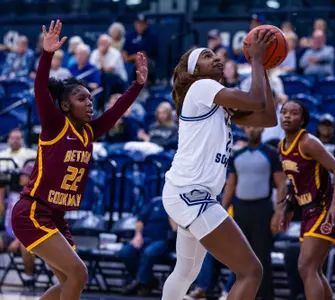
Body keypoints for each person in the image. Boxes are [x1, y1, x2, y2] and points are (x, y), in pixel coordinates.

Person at [11, 20, 148, 300]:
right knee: (79, 274)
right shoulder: (55, 124)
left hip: (56, 217)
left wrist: (137, 85)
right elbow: (40, 89)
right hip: (33, 212)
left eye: (90, 98)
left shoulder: (89, 131)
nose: (89, 103)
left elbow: (116, 110)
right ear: (64, 105)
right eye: (81, 98)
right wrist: (47, 54)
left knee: (70, 281)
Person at [161, 28, 278, 300]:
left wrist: (264, 67)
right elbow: (256, 100)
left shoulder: (218, 104)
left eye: (215, 54)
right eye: (206, 56)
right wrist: (258, 61)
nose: (215, 58)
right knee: (251, 270)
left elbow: (268, 117)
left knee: (185, 273)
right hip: (190, 193)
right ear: (194, 70)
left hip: (189, 193)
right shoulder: (201, 87)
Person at [276, 99, 335, 300]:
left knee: (306, 267)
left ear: (303, 120)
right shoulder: (282, 147)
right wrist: (287, 210)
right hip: (308, 210)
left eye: (294, 113)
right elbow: (295, 183)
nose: (287, 116)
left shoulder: (308, 142)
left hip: (326, 207)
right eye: (284, 112)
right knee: (313, 270)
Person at [220, 126, 287, 300]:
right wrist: (221, 210)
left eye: (255, 127)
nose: (252, 130)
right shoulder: (237, 155)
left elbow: (281, 185)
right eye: (249, 127)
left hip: (262, 209)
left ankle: (265, 296)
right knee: (240, 255)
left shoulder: (271, 153)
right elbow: (230, 185)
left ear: (262, 129)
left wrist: (278, 212)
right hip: (241, 209)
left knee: (261, 255)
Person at [1, 164, 36, 293]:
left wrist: (17, 240)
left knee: (25, 246)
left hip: (27, 235)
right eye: (22, 174)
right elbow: (2, 212)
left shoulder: (34, 198)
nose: (21, 177)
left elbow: (31, 224)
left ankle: (29, 277)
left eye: (25, 175)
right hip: (8, 232)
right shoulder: (12, 193)